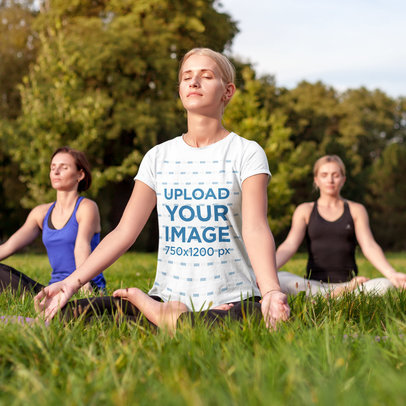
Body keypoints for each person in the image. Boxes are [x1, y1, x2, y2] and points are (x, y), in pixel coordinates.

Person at [34, 48, 290, 332]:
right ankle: (168, 314)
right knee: (74, 313)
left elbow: (255, 228)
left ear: (227, 91)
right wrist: (71, 283)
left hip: (231, 299)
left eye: (206, 76)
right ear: (180, 89)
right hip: (166, 295)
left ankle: (166, 317)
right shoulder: (158, 157)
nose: (194, 82)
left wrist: (269, 293)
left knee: (245, 321)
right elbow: (124, 233)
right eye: (186, 77)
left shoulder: (247, 153)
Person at [275, 155, 406, 297]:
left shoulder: (356, 210)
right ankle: (336, 296)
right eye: (324, 175)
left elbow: (369, 245)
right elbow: (289, 245)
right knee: (280, 278)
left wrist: (392, 274)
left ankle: (330, 297)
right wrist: (266, 272)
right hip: (313, 285)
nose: (330, 180)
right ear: (316, 180)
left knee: (386, 285)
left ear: (343, 179)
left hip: (349, 284)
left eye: (335, 175)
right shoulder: (304, 210)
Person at [0, 147, 106, 294]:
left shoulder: (86, 207)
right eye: (53, 168)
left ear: (80, 175)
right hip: (53, 290)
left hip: (85, 287)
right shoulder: (40, 213)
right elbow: (9, 247)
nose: (56, 172)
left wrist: (83, 287)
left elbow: (81, 246)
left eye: (64, 167)